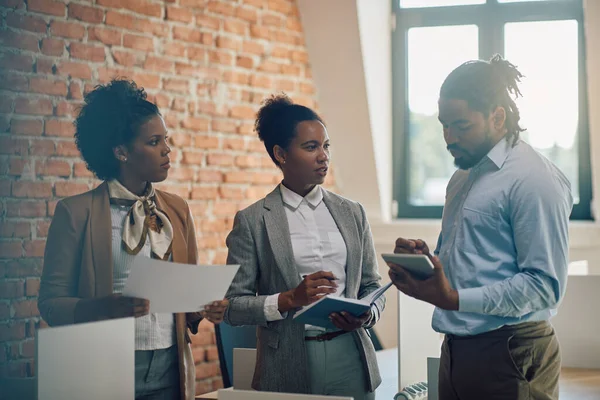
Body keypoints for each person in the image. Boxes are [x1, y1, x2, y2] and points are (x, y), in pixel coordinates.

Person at [387, 55, 573, 400]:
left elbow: (544, 286)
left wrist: (454, 299)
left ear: (497, 116)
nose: (449, 138)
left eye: (462, 125)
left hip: (513, 352)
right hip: (457, 349)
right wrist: (426, 264)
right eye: (444, 125)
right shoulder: (462, 177)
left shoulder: (534, 180)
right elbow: (470, 260)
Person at [38, 79, 229, 400]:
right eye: (154, 141)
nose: (167, 149)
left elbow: (184, 298)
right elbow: (51, 304)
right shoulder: (75, 213)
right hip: (103, 364)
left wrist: (202, 309)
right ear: (121, 151)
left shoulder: (178, 210)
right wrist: (102, 307)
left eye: (166, 139)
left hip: (172, 364)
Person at [224, 94, 384, 399]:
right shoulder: (253, 220)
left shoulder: (353, 212)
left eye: (326, 146)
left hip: (351, 356)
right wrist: (288, 299)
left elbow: (371, 285)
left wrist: (368, 314)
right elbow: (232, 307)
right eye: (311, 147)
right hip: (288, 362)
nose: (323, 156)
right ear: (281, 154)